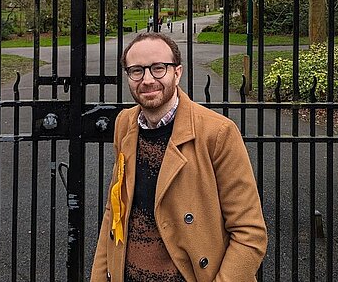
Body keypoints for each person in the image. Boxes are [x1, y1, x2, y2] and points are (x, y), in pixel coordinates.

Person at [91, 32, 267, 282]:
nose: (148, 79)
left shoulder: (217, 133)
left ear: (178, 72)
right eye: (137, 70)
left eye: (158, 68)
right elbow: (114, 210)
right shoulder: (125, 124)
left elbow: (250, 233)